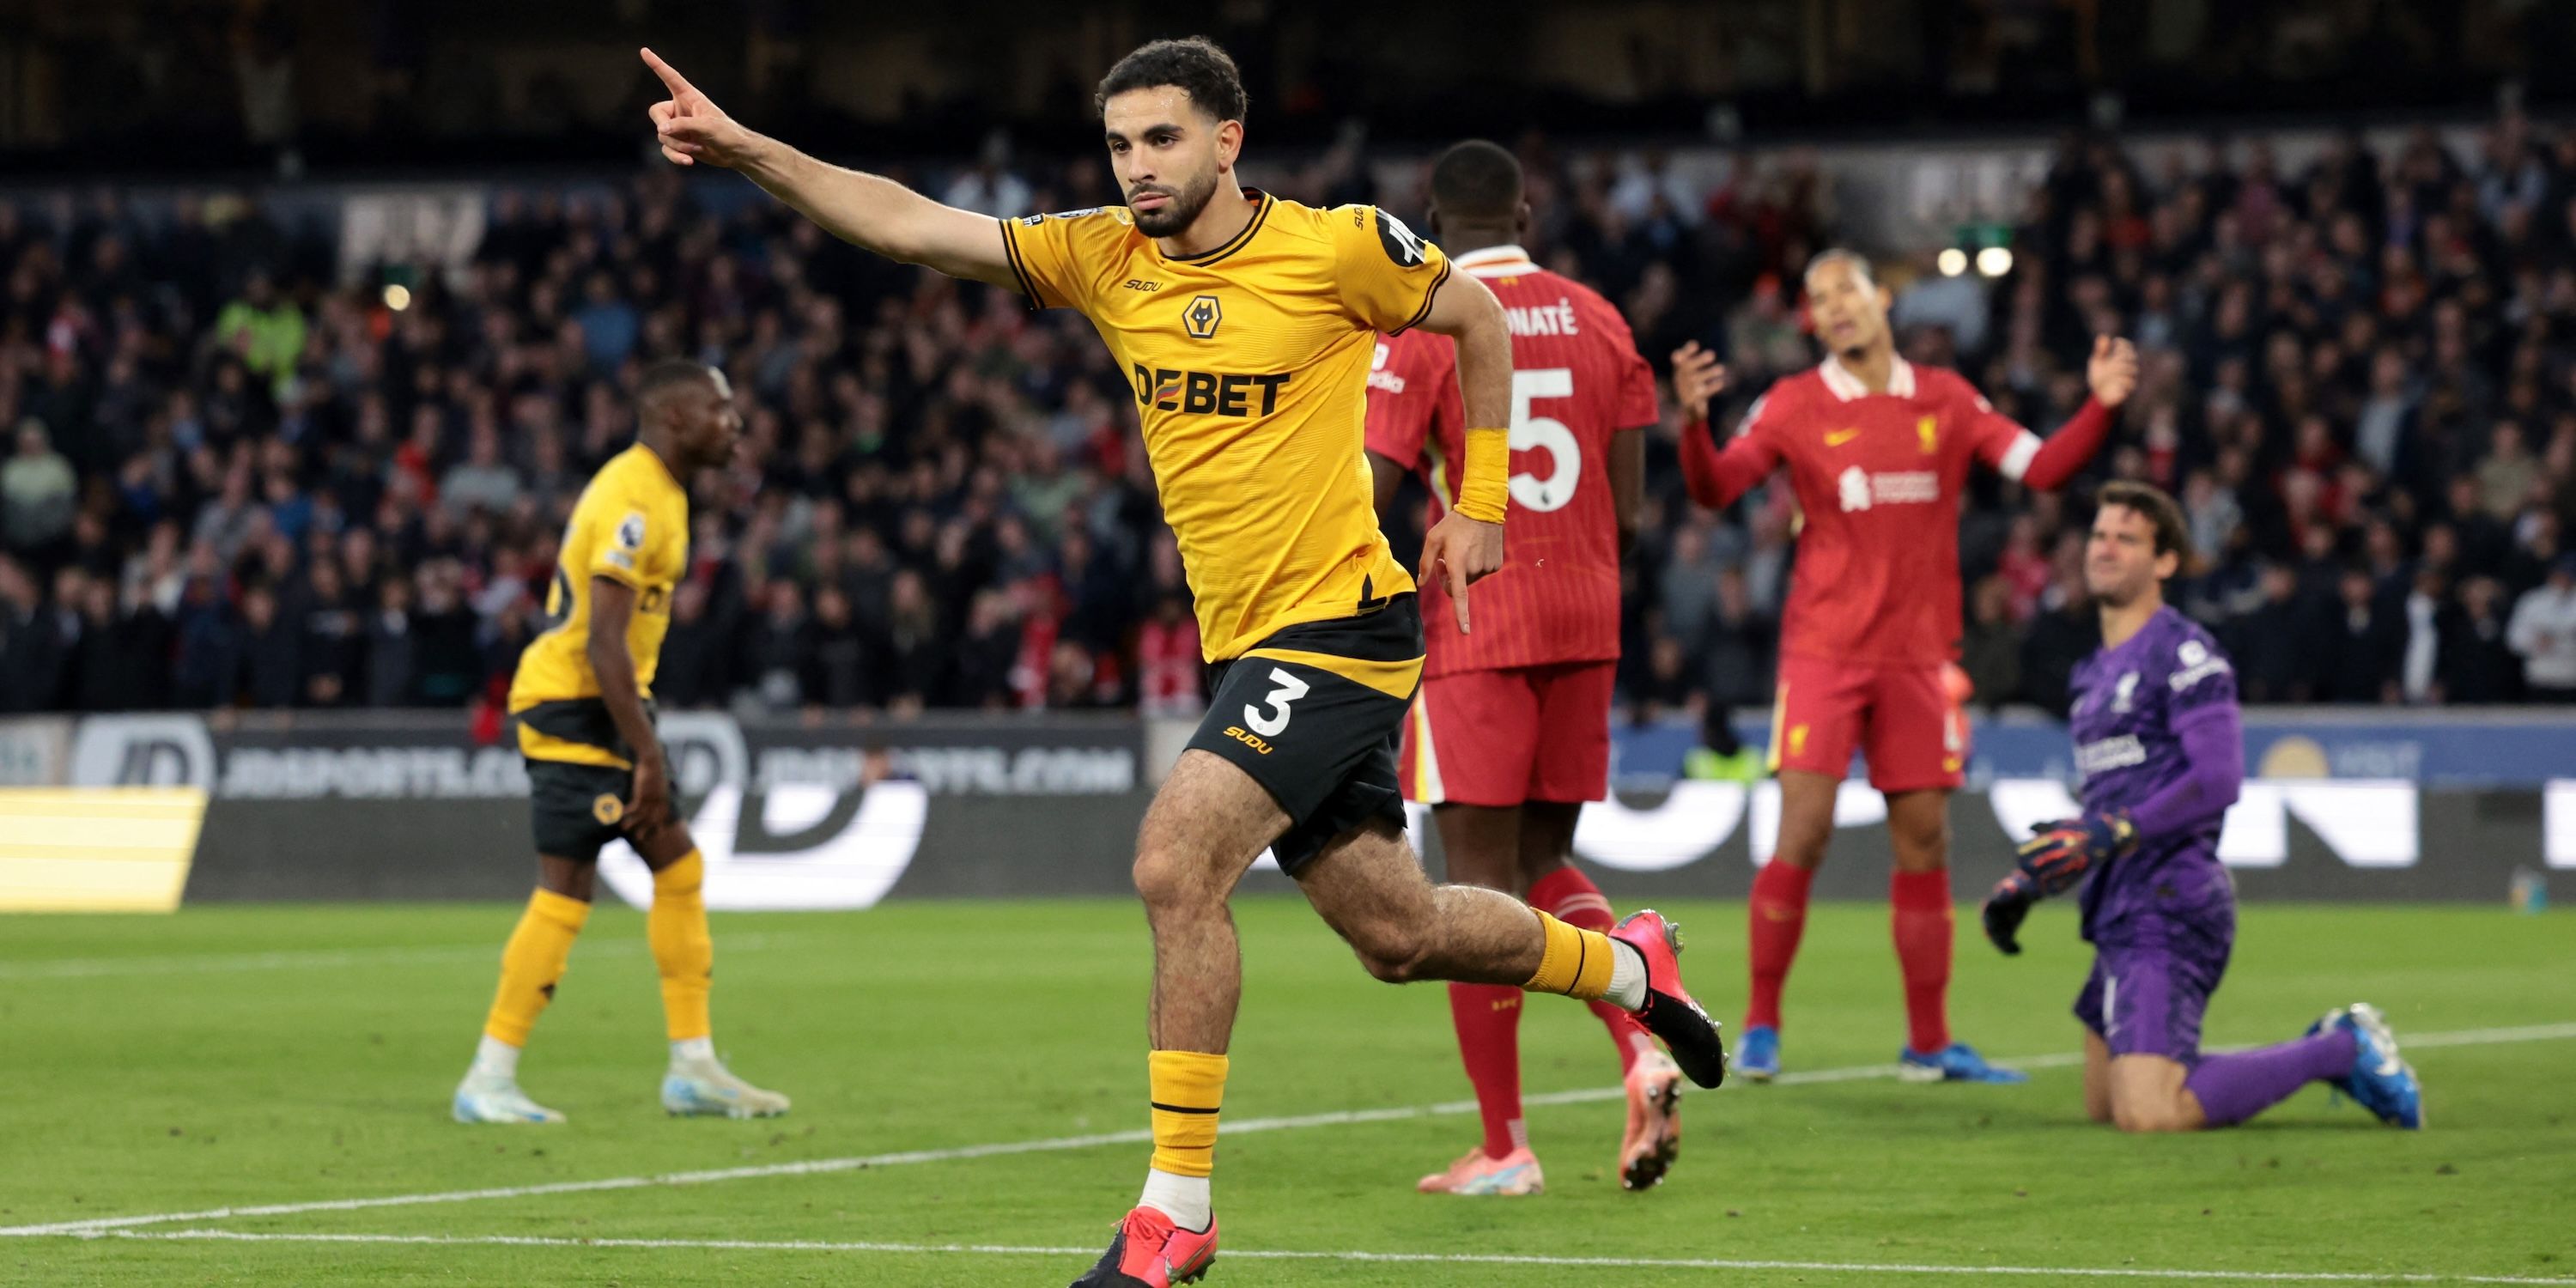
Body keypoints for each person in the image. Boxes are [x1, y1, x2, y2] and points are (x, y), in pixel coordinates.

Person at [644, 37, 1728, 1287]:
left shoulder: (1337, 248)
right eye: (1119, 144)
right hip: (1252, 642)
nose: (1136, 167)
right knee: (1401, 931)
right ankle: (1633, 965)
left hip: (1344, 627)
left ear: (1229, 140)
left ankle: (1177, 1208)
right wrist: (748, 151)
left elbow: (1479, 317)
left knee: (1174, 861)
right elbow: (905, 223)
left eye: (1161, 139)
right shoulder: (1103, 253)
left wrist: (1477, 499)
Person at [1670, 249, 2139, 1084]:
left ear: (1882, 298)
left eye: (1846, 289)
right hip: (1825, 653)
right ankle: (1760, 1025)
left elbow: (2044, 467)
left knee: (1924, 845)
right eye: (1818, 300)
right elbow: (1718, 489)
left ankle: (1928, 1042)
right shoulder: (1792, 404)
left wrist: (2100, 412)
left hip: (1919, 661)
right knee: (1802, 834)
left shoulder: (1946, 399)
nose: (1835, 307)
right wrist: (1695, 427)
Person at [1364, 140, 1682, 1196]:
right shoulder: (1602, 319)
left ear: (1430, 215)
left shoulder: (1427, 321)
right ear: (1528, 214)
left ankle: (1505, 1147)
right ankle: (1642, 1037)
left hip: (1479, 618)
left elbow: (1373, 482)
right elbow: (1633, 514)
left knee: (1470, 893)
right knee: (1545, 865)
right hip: (1587, 613)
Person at [1978, 482, 2422, 1132]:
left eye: (2127, 539)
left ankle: (2341, 1048)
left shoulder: (2185, 653)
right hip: (2116, 907)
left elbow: (2218, 780)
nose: (2105, 549)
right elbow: (2107, 810)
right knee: (2105, 1105)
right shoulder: (2091, 674)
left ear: (2164, 562)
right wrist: (2031, 879)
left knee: (2151, 1111)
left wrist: (2116, 831)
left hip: (2169, 901)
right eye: (2100, 535)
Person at [450, 360, 789, 1125]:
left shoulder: (661, 491)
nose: (733, 422)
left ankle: (693, 1066)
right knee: (565, 885)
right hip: (576, 703)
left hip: (605, 702)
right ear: (673, 418)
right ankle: (488, 1076)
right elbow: (604, 641)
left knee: (677, 866)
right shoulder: (634, 495)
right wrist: (643, 751)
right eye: (719, 409)